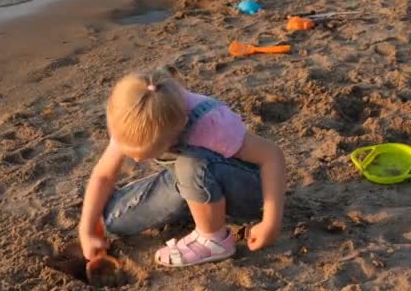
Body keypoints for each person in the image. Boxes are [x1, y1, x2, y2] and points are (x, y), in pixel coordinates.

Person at [78, 65, 286, 267]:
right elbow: (104, 176)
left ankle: (213, 241)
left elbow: (272, 156)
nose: (138, 160)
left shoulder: (211, 125)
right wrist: (86, 230)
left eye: (146, 154)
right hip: (190, 181)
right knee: (115, 221)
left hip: (245, 190)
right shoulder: (131, 119)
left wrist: (271, 222)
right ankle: (200, 209)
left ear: (179, 128)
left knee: (190, 164)